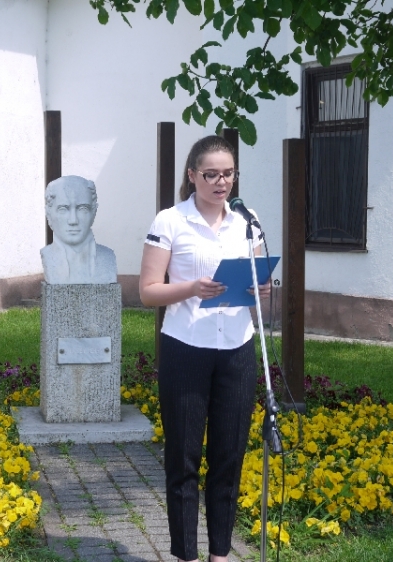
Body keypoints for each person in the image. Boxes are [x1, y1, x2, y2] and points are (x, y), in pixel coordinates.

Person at [139, 135, 270, 562]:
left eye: (228, 174)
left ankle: (220, 554)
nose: (221, 182)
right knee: (184, 458)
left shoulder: (248, 220)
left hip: (237, 347)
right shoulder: (170, 221)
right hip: (186, 348)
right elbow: (147, 292)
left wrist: (260, 289)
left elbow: (255, 280)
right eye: (211, 174)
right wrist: (192, 288)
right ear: (192, 175)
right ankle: (186, 555)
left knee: (229, 457)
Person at [41, 175, 117, 284]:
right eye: (63, 209)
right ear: (49, 214)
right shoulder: (48, 256)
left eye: (82, 209)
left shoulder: (108, 257)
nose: (73, 220)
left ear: (93, 212)